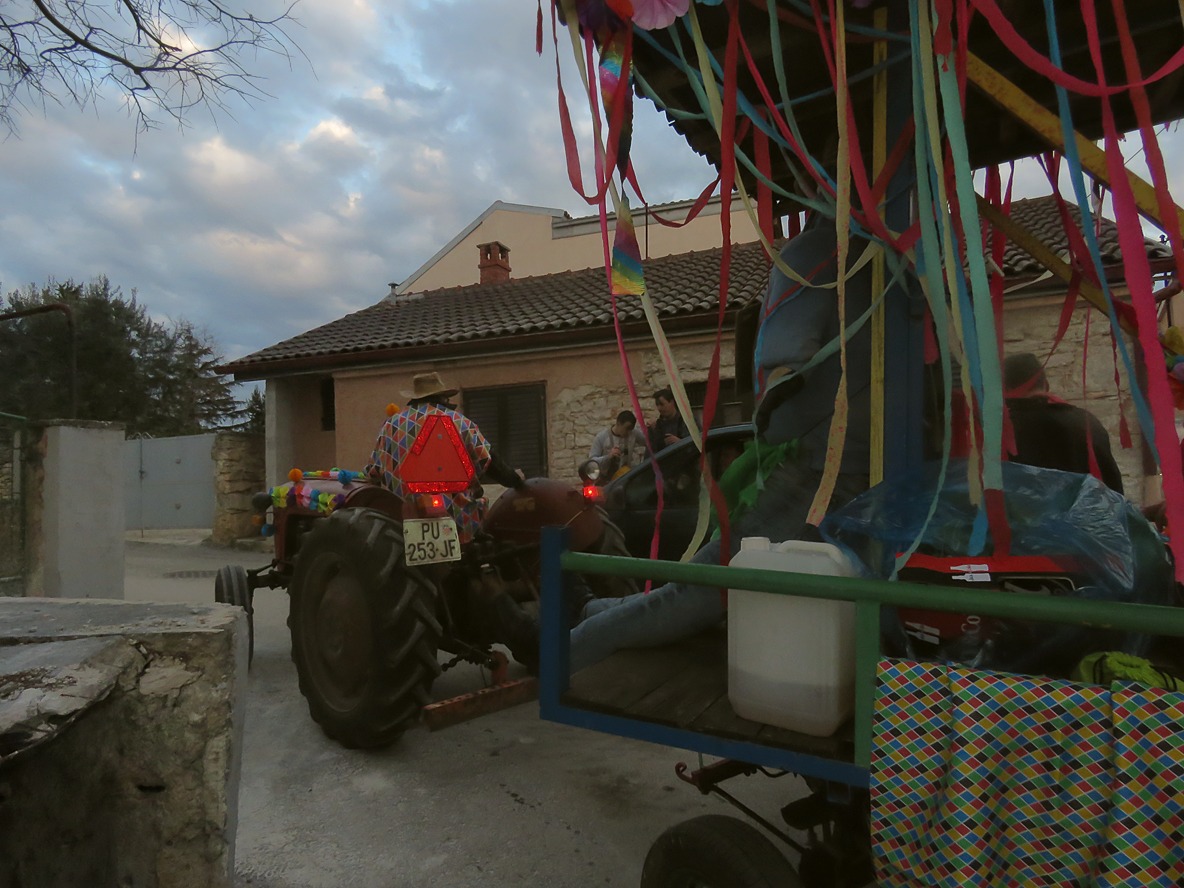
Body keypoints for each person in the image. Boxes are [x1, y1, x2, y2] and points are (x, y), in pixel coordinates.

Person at [493, 219, 882, 672]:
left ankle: (572, 631)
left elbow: (778, 382)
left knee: (689, 593)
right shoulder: (874, 263)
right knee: (690, 592)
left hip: (821, 473)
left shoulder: (814, 254)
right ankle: (577, 627)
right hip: (836, 475)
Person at [364, 371, 523, 544]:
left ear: (414, 398)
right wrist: (514, 480)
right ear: (442, 398)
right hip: (458, 521)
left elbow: (373, 472)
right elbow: (489, 461)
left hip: (404, 519)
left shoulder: (390, 425)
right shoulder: (459, 422)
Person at [1002, 353, 1124, 494]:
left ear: (1004, 389)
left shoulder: (1003, 433)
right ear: (1046, 384)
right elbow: (1114, 490)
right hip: (1089, 507)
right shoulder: (1087, 422)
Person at [588, 410, 647, 481]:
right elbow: (592, 462)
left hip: (626, 480)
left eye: (631, 429)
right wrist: (608, 456)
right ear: (618, 424)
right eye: (627, 428)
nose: (628, 432)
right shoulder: (601, 437)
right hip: (605, 481)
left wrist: (652, 429)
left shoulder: (633, 433)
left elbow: (648, 443)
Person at [647, 388, 691, 453]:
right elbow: (650, 453)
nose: (659, 408)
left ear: (672, 402)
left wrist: (680, 443)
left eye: (662, 404)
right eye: (657, 405)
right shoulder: (656, 426)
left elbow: (698, 446)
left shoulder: (687, 422)